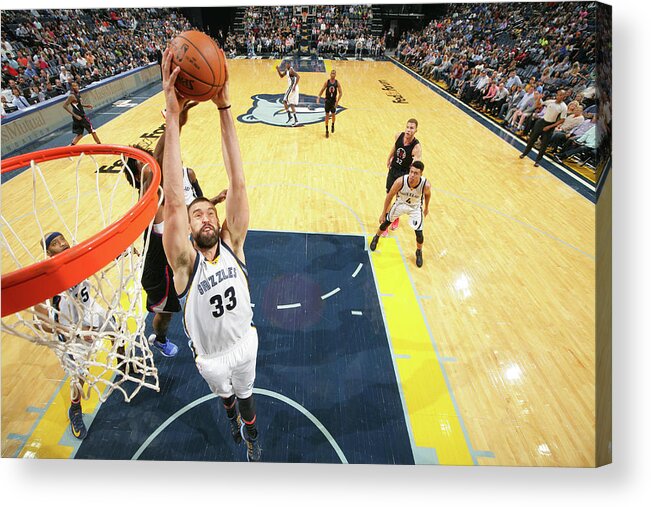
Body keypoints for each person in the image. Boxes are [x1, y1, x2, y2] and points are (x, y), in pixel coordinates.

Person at [160, 48, 262, 461]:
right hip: (211, 359)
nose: (203, 216)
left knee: (249, 396)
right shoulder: (185, 263)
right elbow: (171, 199)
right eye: (195, 213)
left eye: (208, 212)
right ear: (187, 225)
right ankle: (231, 417)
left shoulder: (234, 244)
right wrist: (171, 117)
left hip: (245, 342)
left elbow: (237, 181)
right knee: (227, 397)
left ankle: (251, 433)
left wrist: (224, 108)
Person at [33, 232, 123, 440]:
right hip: (70, 327)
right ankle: (75, 409)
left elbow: (100, 254)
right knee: (79, 374)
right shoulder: (45, 280)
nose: (62, 243)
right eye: (55, 244)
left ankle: (123, 364)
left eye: (62, 239)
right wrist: (79, 332)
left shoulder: (77, 257)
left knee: (116, 329)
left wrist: (120, 252)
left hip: (90, 310)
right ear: (48, 253)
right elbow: (45, 324)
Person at [369, 161, 431, 268]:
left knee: (419, 234)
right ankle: (376, 237)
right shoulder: (400, 181)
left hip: (415, 208)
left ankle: (419, 251)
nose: (412, 175)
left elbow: (428, 195)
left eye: (416, 173)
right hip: (400, 204)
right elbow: (389, 196)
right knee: (386, 223)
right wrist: (383, 212)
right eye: (411, 172)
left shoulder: (425, 185)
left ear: (421, 174)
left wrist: (426, 208)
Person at [384, 119, 422, 235]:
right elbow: (395, 148)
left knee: (398, 198)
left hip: (404, 173)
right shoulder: (398, 135)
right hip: (393, 170)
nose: (408, 130)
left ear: (416, 131)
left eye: (411, 128)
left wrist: (411, 178)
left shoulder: (416, 147)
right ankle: (385, 222)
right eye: (407, 127)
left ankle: (395, 218)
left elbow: (416, 166)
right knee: (389, 195)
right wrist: (389, 157)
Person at [518, 89, 568, 167]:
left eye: (561, 95)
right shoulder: (550, 101)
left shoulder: (564, 107)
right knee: (532, 139)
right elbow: (538, 105)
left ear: (564, 97)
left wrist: (550, 127)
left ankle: (538, 160)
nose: (559, 96)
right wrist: (538, 98)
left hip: (550, 125)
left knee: (544, 144)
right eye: (558, 94)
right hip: (542, 122)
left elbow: (562, 120)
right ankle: (524, 153)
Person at [317, 69, 343, 138]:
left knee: (333, 115)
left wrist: (337, 101)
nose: (333, 75)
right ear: (330, 74)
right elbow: (322, 89)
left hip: (333, 101)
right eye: (332, 73)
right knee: (327, 115)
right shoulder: (327, 82)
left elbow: (341, 93)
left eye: (334, 74)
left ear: (335, 75)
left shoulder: (337, 83)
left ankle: (333, 125)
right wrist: (318, 97)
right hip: (327, 101)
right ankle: (326, 130)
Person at [276, 61, 300, 126]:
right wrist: (278, 70)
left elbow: (298, 76)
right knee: (291, 104)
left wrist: (294, 85)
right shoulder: (287, 70)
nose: (285, 65)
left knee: (285, 101)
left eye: (287, 64)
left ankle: (290, 116)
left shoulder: (291, 70)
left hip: (292, 87)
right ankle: (294, 118)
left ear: (289, 64)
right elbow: (281, 76)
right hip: (291, 88)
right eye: (285, 64)